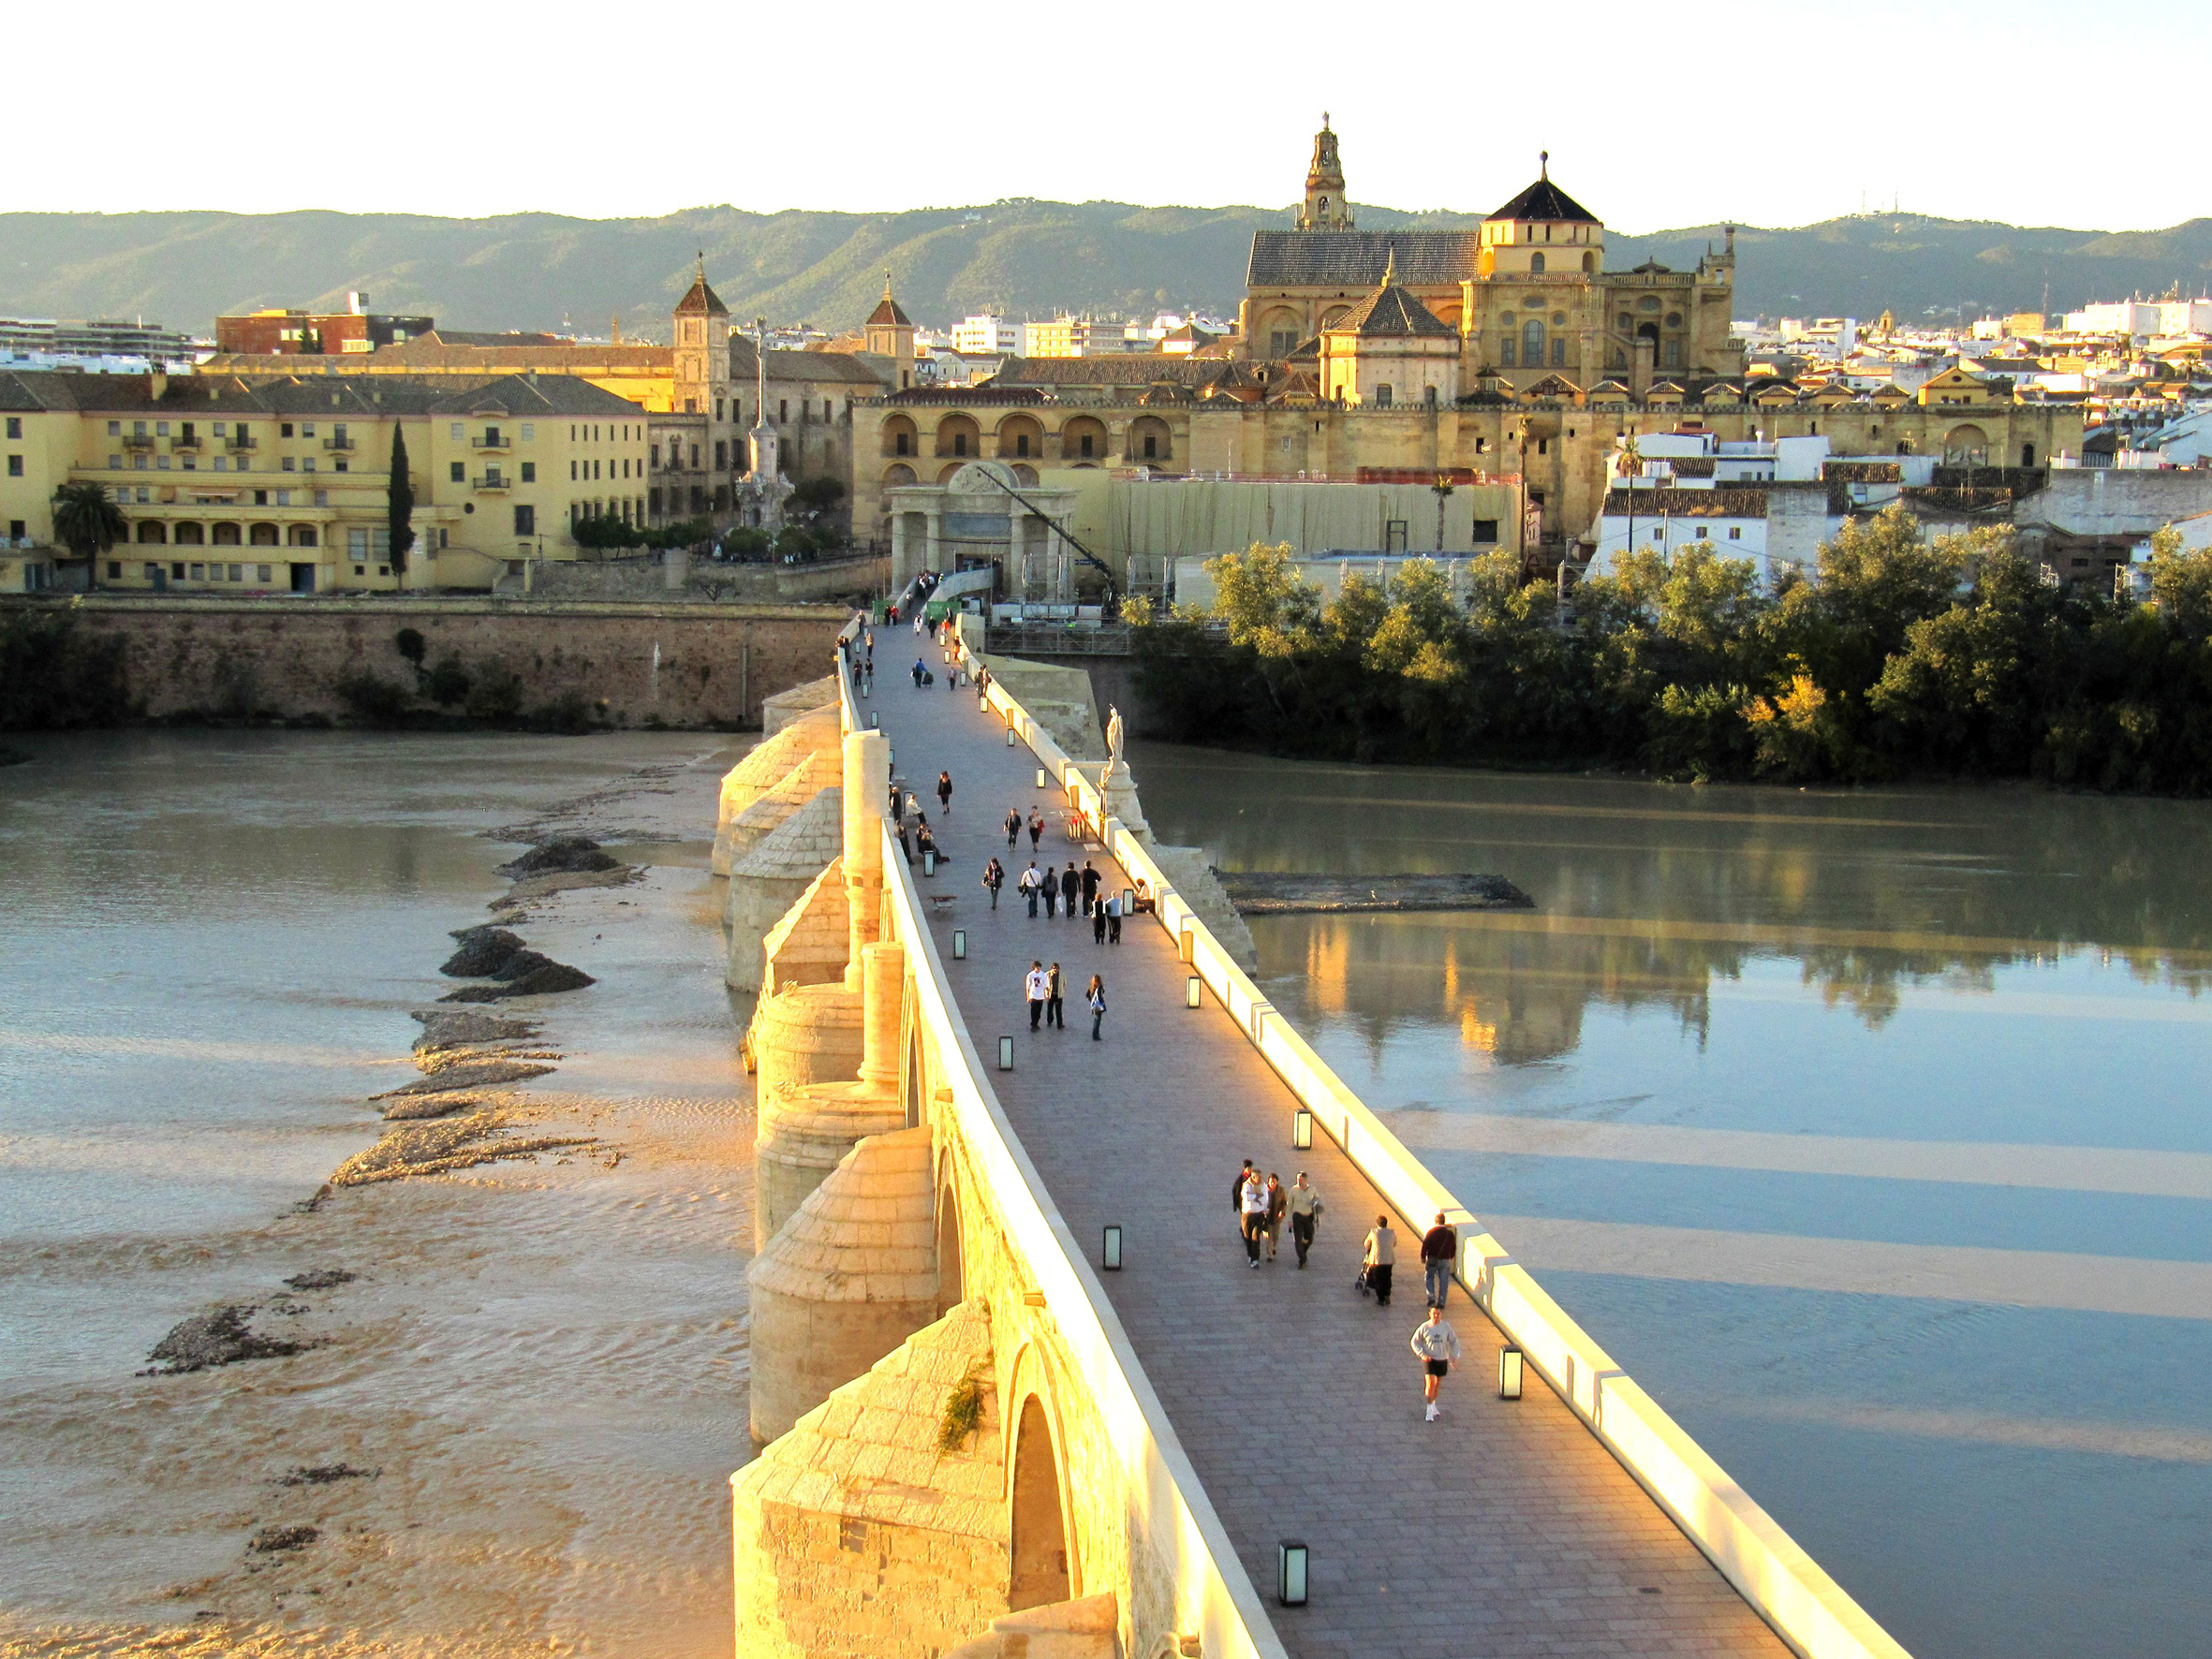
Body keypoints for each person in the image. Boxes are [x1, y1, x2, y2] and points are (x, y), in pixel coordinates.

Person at [1410, 1304, 1463, 1421]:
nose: (1436, 1316)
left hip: (1442, 1359)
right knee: (1430, 1383)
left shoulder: (1445, 1326)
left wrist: (1455, 1356)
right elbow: (1414, 1341)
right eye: (1434, 1313)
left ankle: (1433, 1404)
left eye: (1438, 1314)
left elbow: (1454, 1341)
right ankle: (1429, 1410)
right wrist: (1422, 1354)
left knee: (1437, 1384)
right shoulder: (1424, 1327)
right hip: (1430, 1360)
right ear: (1430, 1314)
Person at [1420, 1212, 1458, 1310]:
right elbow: (1454, 1246)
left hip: (1433, 1259)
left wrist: (1423, 1256)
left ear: (1436, 1222)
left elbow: (1425, 1245)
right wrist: (1451, 1256)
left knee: (1429, 1277)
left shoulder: (1431, 1232)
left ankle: (1431, 1299)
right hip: (1445, 1260)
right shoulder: (1449, 1234)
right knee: (1444, 1281)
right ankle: (1441, 1303)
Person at [1287, 1173, 1324, 1268]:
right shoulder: (1293, 1190)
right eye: (1298, 1179)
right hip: (1298, 1217)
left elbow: (1317, 1202)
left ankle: (1303, 1251)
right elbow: (1289, 1206)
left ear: (1306, 1180)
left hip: (1308, 1217)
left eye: (1301, 1180)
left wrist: (1318, 1216)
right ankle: (1302, 1259)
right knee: (1298, 1240)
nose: (1299, 1181)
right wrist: (1289, 1220)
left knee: (1309, 1239)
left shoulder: (1312, 1189)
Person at [1361, 1213, 1395, 1305]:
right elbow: (1394, 1243)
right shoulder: (1392, 1232)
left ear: (1378, 1224)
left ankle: (1381, 1299)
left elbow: (1366, 1243)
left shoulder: (1374, 1232)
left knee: (1379, 1279)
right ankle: (1387, 1294)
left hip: (1377, 1260)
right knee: (1387, 1277)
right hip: (1389, 1259)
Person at [1239, 1167, 1269, 1268]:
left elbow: (1265, 1199)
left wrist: (1254, 1197)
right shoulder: (1247, 1185)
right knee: (1247, 1237)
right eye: (1258, 1177)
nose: (1260, 1179)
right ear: (1253, 1177)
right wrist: (1257, 1196)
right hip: (1248, 1215)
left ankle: (1255, 1259)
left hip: (1259, 1215)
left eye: (1261, 1177)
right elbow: (1247, 1198)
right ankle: (1250, 1254)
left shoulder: (1264, 1185)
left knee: (1255, 1236)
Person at [1262, 1173, 1287, 1262]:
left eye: (1274, 1181)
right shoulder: (1263, 1189)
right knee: (1268, 1237)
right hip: (1266, 1218)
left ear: (1277, 1182)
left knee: (1276, 1236)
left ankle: (1273, 1246)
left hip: (1276, 1217)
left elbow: (1284, 1202)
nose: (1272, 1183)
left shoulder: (1281, 1190)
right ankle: (1270, 1255)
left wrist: (1282, 1211)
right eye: (1271, 1181)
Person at [1229, 1159, 1255, 1237]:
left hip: (1250, 1201)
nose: (1251, 1169)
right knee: (1245, 1217)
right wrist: (1236, 1203)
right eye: (1249, 1168)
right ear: (1245, 1168)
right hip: (1242, 1202)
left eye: (1251, 1168)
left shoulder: (1252, 1176)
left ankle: (1243, 1229)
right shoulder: (1241, 1178)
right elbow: (1235, 1190)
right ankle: (1244, 1231)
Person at [1025, 961, 1048, 1031]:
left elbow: (1046, 985)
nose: (1038, 968)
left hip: (1040, 995)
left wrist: (1047, 994)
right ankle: (1033, 1024)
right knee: (1033, 1010)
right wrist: (1028, 996)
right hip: (1033, 995)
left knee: (1038, 1011)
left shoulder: (1043, 975)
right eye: (1036, 967)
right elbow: (1028, 987)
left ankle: (1036, 1022)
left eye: (1039, 967)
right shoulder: (1030, 975)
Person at [1086, 973, 1106, 1040]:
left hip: (1094, 1006)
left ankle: (1095, 1034)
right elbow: (1100, 996)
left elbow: (1087, 995)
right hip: (1098, 1006)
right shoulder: (1099, 987)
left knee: (1096, 1019)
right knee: (1098, 1020)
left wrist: (1091, 1000)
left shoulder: (1091, 987)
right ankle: (1095, 1035)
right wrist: (1102, 1002)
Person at [1045, 962, 1065, 1030]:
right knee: (1050, 1009)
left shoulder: (1062, 975)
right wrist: (1046, 993)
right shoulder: (1047, 974)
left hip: (1058, 995)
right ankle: (1049, 1021)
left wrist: (1061, 990)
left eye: (1056, 968)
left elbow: (1064, 983)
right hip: (1051, 995)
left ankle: (1060, 1024)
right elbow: (1045, 985)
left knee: (1059, 1010)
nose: (1055, 970)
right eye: (1053, 968)